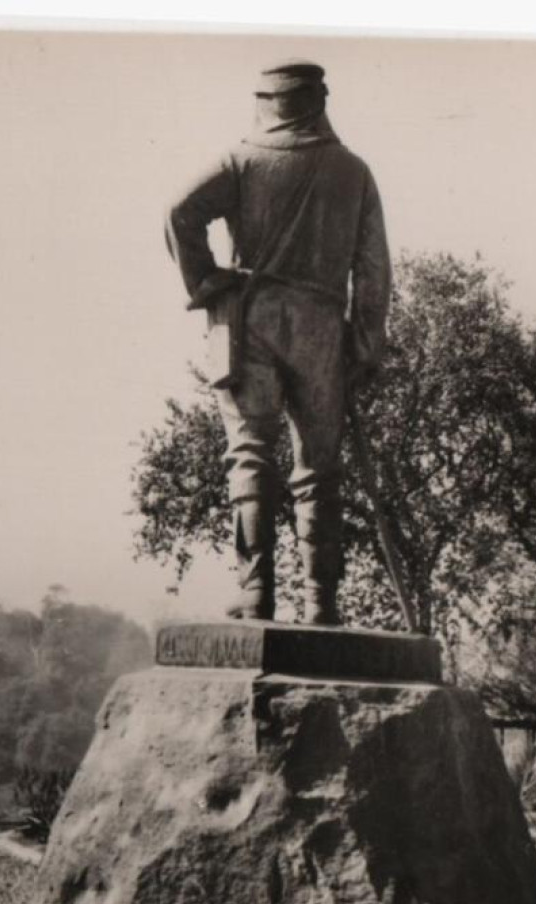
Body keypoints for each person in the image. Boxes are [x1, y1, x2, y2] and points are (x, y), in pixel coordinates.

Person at [165, 60, 391, 625]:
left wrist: (208, 282)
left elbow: (179, 212)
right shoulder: (354, 172)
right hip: (322, 326)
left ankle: (257, 590)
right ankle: (321, 603)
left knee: (250, 453)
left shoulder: (241, 161)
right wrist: (364, 345)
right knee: (319, 468)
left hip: (251, 321)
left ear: (265, 102)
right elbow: (373, 270)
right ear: (318, 101)